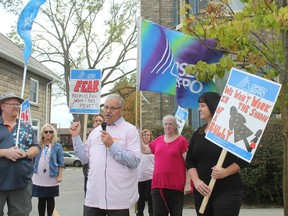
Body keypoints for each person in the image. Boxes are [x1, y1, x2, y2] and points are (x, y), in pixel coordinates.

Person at [70, 94, 141, 216]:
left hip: (118, 199)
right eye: (106, 107)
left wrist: (112, 145)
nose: (108, 111)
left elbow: (134, 161)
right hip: (94, 198)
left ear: (121, 110)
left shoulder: (130, 130)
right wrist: (75, 137)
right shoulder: (95, 132)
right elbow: (84, 159)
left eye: (113, 108)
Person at [186, 92, 249, 216]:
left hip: (227, 191)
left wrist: (225, 172)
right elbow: (190, 160)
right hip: (202, 192)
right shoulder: (197, 134)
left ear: (213, 106)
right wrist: (197, 181)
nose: (199, 109)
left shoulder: (230, 132)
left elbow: (244, 158)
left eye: (202, 105)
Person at [141, 115, 190, 216]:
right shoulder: (158, 140)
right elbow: (145, 150)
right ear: (163, 126)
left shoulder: (181, 141)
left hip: (175, 186)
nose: (168, 126)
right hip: (158, 186)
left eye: (170, 124)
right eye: (166, 124)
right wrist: (137, 136)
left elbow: (188, 163)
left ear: (175, 126)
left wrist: (188, 183)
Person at [0, 92, 40, 216]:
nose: (16, 107)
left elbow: (36, 148)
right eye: (13, 104)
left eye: (18, 104)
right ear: (2, 106)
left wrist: (25, 153)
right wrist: (5, 152)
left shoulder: (26, 127)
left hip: (21, 183)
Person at [32, 124, 64, 216]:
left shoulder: (57, 146)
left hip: (52, 177)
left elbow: (61, 162)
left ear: (53, 134)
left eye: (51, 132)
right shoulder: (37, 146)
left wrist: (60, 176)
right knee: (41, 199)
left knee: (50, 198)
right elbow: (32, 160)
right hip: (39, 177)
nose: (48, 134)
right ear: (42, 133)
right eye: (46, 132)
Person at [82, 113, 104, 196]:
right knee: (88, 195)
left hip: (102, 174)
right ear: (93, 123)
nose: (98, 122)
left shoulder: (109, 135)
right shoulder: (90, 137)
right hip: (89, 172)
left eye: (100, 121)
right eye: (96, 121)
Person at [136, 129, 154, 216]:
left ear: (150, 137)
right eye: (144, 135)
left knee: (151, 198)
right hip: (140, 177)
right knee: (140, 198)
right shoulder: (137, 147)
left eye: (148, 135)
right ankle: (139, 213)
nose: (146, 136)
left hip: (151, 177)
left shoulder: (153, 147)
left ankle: (152, 213)